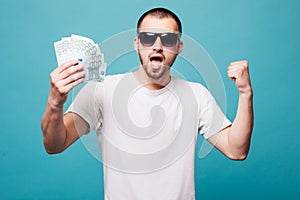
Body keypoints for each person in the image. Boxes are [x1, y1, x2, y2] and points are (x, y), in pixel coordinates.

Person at [41, 7, 253, 200]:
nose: (158, 46)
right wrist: (54, 102)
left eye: (168, 40)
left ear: (179, 47)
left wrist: (245, 94)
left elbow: (236, 150)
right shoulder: (101, 90)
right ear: (137, 43)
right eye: (148, 38)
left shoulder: (196, 95)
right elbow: (55, 144)